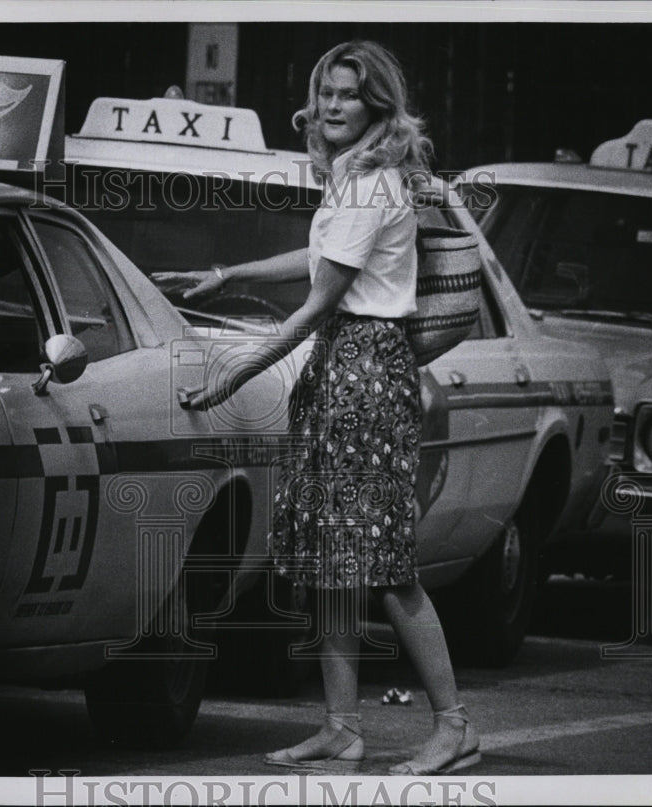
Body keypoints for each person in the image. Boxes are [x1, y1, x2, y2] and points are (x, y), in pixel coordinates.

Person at [153, 40, 480, 776]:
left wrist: (238, 371)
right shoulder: (350, 179)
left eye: (349, 95)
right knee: (335, 560)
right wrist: (229, 270)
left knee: (384, 564)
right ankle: (341, 726)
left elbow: (318, 303)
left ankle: (454, 726)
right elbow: (318, 261)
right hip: (341, 368)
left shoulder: (371, 187)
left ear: (378, 106)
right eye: (326, 91)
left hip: (364, 370)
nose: (332, 105)